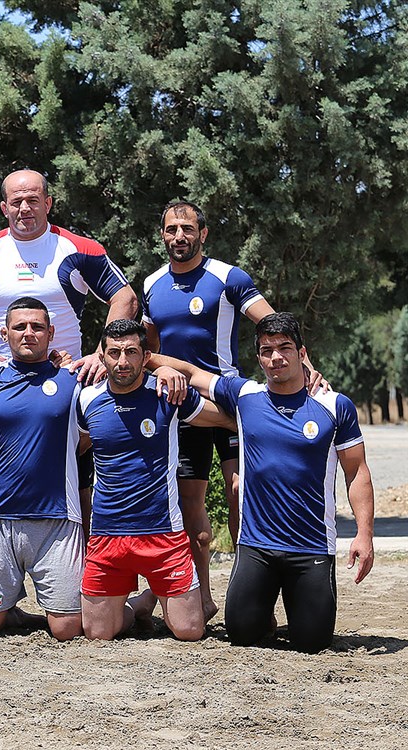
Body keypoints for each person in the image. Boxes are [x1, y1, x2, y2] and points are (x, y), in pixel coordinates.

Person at [147, 313, 375, 653]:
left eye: (285, 348)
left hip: (311, 548)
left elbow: (356, 472)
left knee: (312, 643)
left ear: (302, 354)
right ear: (258, 358)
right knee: (241, 633)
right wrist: (149, 361)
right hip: (257, 547)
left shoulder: (334, 406)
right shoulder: (245, 395)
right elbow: (192, 374)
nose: (276, 357)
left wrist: (364, 533)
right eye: (267, 351)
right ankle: (263, 607)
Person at [0, 169, 139, 528]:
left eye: (33, 200)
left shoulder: (79, 249)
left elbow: (124, 297)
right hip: (2, 390)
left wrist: (101, 354)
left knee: (78, 491)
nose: (25, 208)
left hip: (63, 388)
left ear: (48, 203)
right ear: (4, 207)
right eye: (16, 201)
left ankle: (80, 564)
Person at [141, 200, 275, 619]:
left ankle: (250, 600)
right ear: (162, 235)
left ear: (203, 234)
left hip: (226, 399)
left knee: (239, 494)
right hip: (180, 406)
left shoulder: (228, 277)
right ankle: (201, 598)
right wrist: (159, 370)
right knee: (188, 504)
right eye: (171, 229)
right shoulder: (152, 283)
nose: (179, 236)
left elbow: (271, 325)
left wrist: (304, 369)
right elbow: (148, 348)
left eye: (187, 228)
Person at [76, 319, 234, 641]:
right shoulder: (86, 400)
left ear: (146, 356)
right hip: (107, 534)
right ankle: (139, 605)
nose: (122, 362)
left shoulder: (169, 394)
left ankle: (154, 595)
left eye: (131, 352)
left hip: (163, 532)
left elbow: (225, 418)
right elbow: (74, 448)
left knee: (189, 630)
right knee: (98, 633)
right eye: (114, 353)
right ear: (102, 357)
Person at [0, 298, 85, 641]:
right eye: (20, 327)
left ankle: (135, 604)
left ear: (51, 333)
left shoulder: (74, 380)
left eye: (37, 327)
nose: (29, 333)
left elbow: (94, 431)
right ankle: (9, 605)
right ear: (5, 334)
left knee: (67, 630)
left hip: (57, 518)